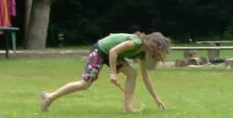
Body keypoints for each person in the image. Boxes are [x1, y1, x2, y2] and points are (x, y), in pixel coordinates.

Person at [41, 32, 171, 113]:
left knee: (132, 73)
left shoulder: (143, 52)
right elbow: (113, 51)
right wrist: (113, 73)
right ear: (152, 46)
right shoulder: (135, 43)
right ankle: (50, 97)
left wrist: (156, 98)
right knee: (85, 84)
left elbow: (145, 77)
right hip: (101, 50)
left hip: (113, 54)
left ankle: (128, 107)